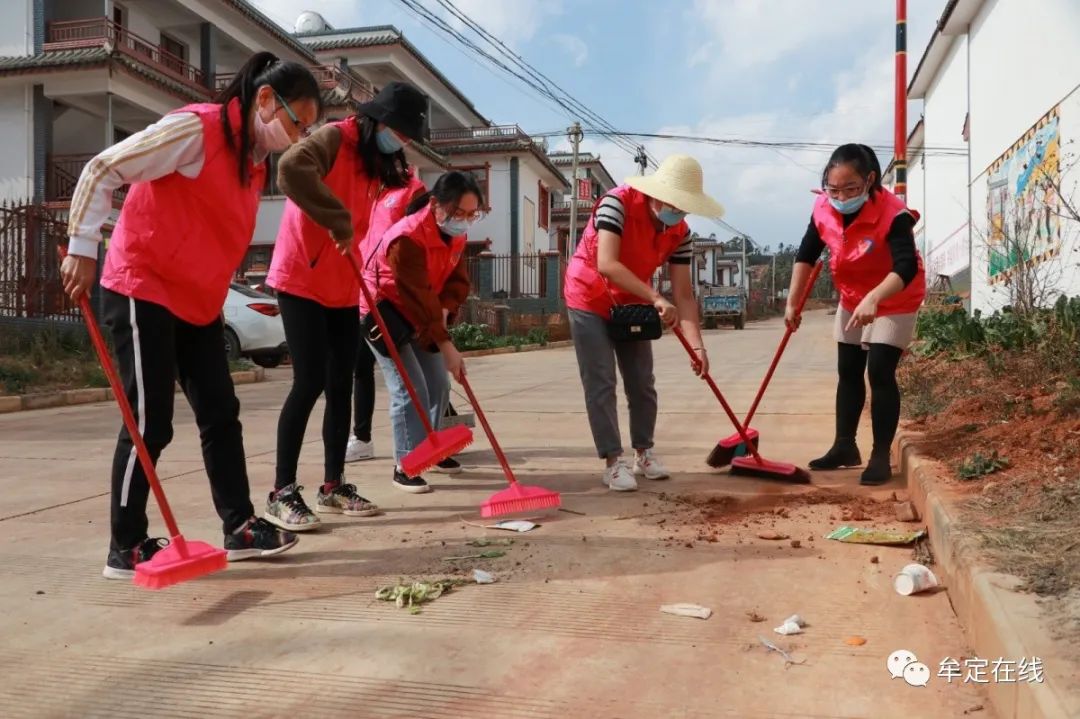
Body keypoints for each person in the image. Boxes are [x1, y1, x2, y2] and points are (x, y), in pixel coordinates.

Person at [59, 52, 321, 578]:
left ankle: (241, 525)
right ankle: (126, 546)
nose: (298, 136)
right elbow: (103, 168)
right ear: (265, 100)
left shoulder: (254, 164)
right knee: (150, 420)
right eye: (298, 122)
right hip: (143, 286)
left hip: (199, 302)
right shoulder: (196, 131)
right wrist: (81, 245)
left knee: (221, 414)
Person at [264, 81, 429, 531]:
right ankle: (281, 493)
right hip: (301, 275)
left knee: (342, 384)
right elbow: (291, 168)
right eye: (399, 131)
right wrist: (336, 219)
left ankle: (333, 486)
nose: (402, 141)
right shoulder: (336, 137)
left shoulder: (380, 159)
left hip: (342, 282)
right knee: (310, 381)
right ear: (378, 120)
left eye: (408, 137)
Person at [564, 155, 724, 492]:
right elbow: (607, 263)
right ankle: (612, 461)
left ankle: (644, 453)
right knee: (602, 381)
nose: (677, 211)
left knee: (641, 381)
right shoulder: (616, 204)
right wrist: (655, 297)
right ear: (656, 193)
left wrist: (697, 346)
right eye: (673, 203)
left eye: (684, 207)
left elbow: (683, 293)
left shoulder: (680, 233)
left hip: (633, 299)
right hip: (589, 296)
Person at [786, 143, 926, 486]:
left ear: (870, 181)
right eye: (834, 189)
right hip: (852, 295)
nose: (841, 196)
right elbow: (806, 254)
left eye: (850, 189)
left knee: (879, 370)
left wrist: (875, 298)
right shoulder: (823, 209)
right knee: (848, 369)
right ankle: (844, 446)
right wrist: (792, 303)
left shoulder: (894, 215)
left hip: (895, 295)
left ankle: (880, 455)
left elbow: (905, 266)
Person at [359, 171, 480, 493]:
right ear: (436, 204)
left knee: (438, 385)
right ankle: (406, 463)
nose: (465, 221)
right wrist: (445, 341)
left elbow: (457, 279)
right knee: (410, 388)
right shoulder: (407, 238)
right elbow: (416, 293)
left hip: (423, 311)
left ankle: (432, 449)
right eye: (459, 214)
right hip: (384, 309)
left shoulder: (456, 234)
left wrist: (445, 308)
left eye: (472, 214)